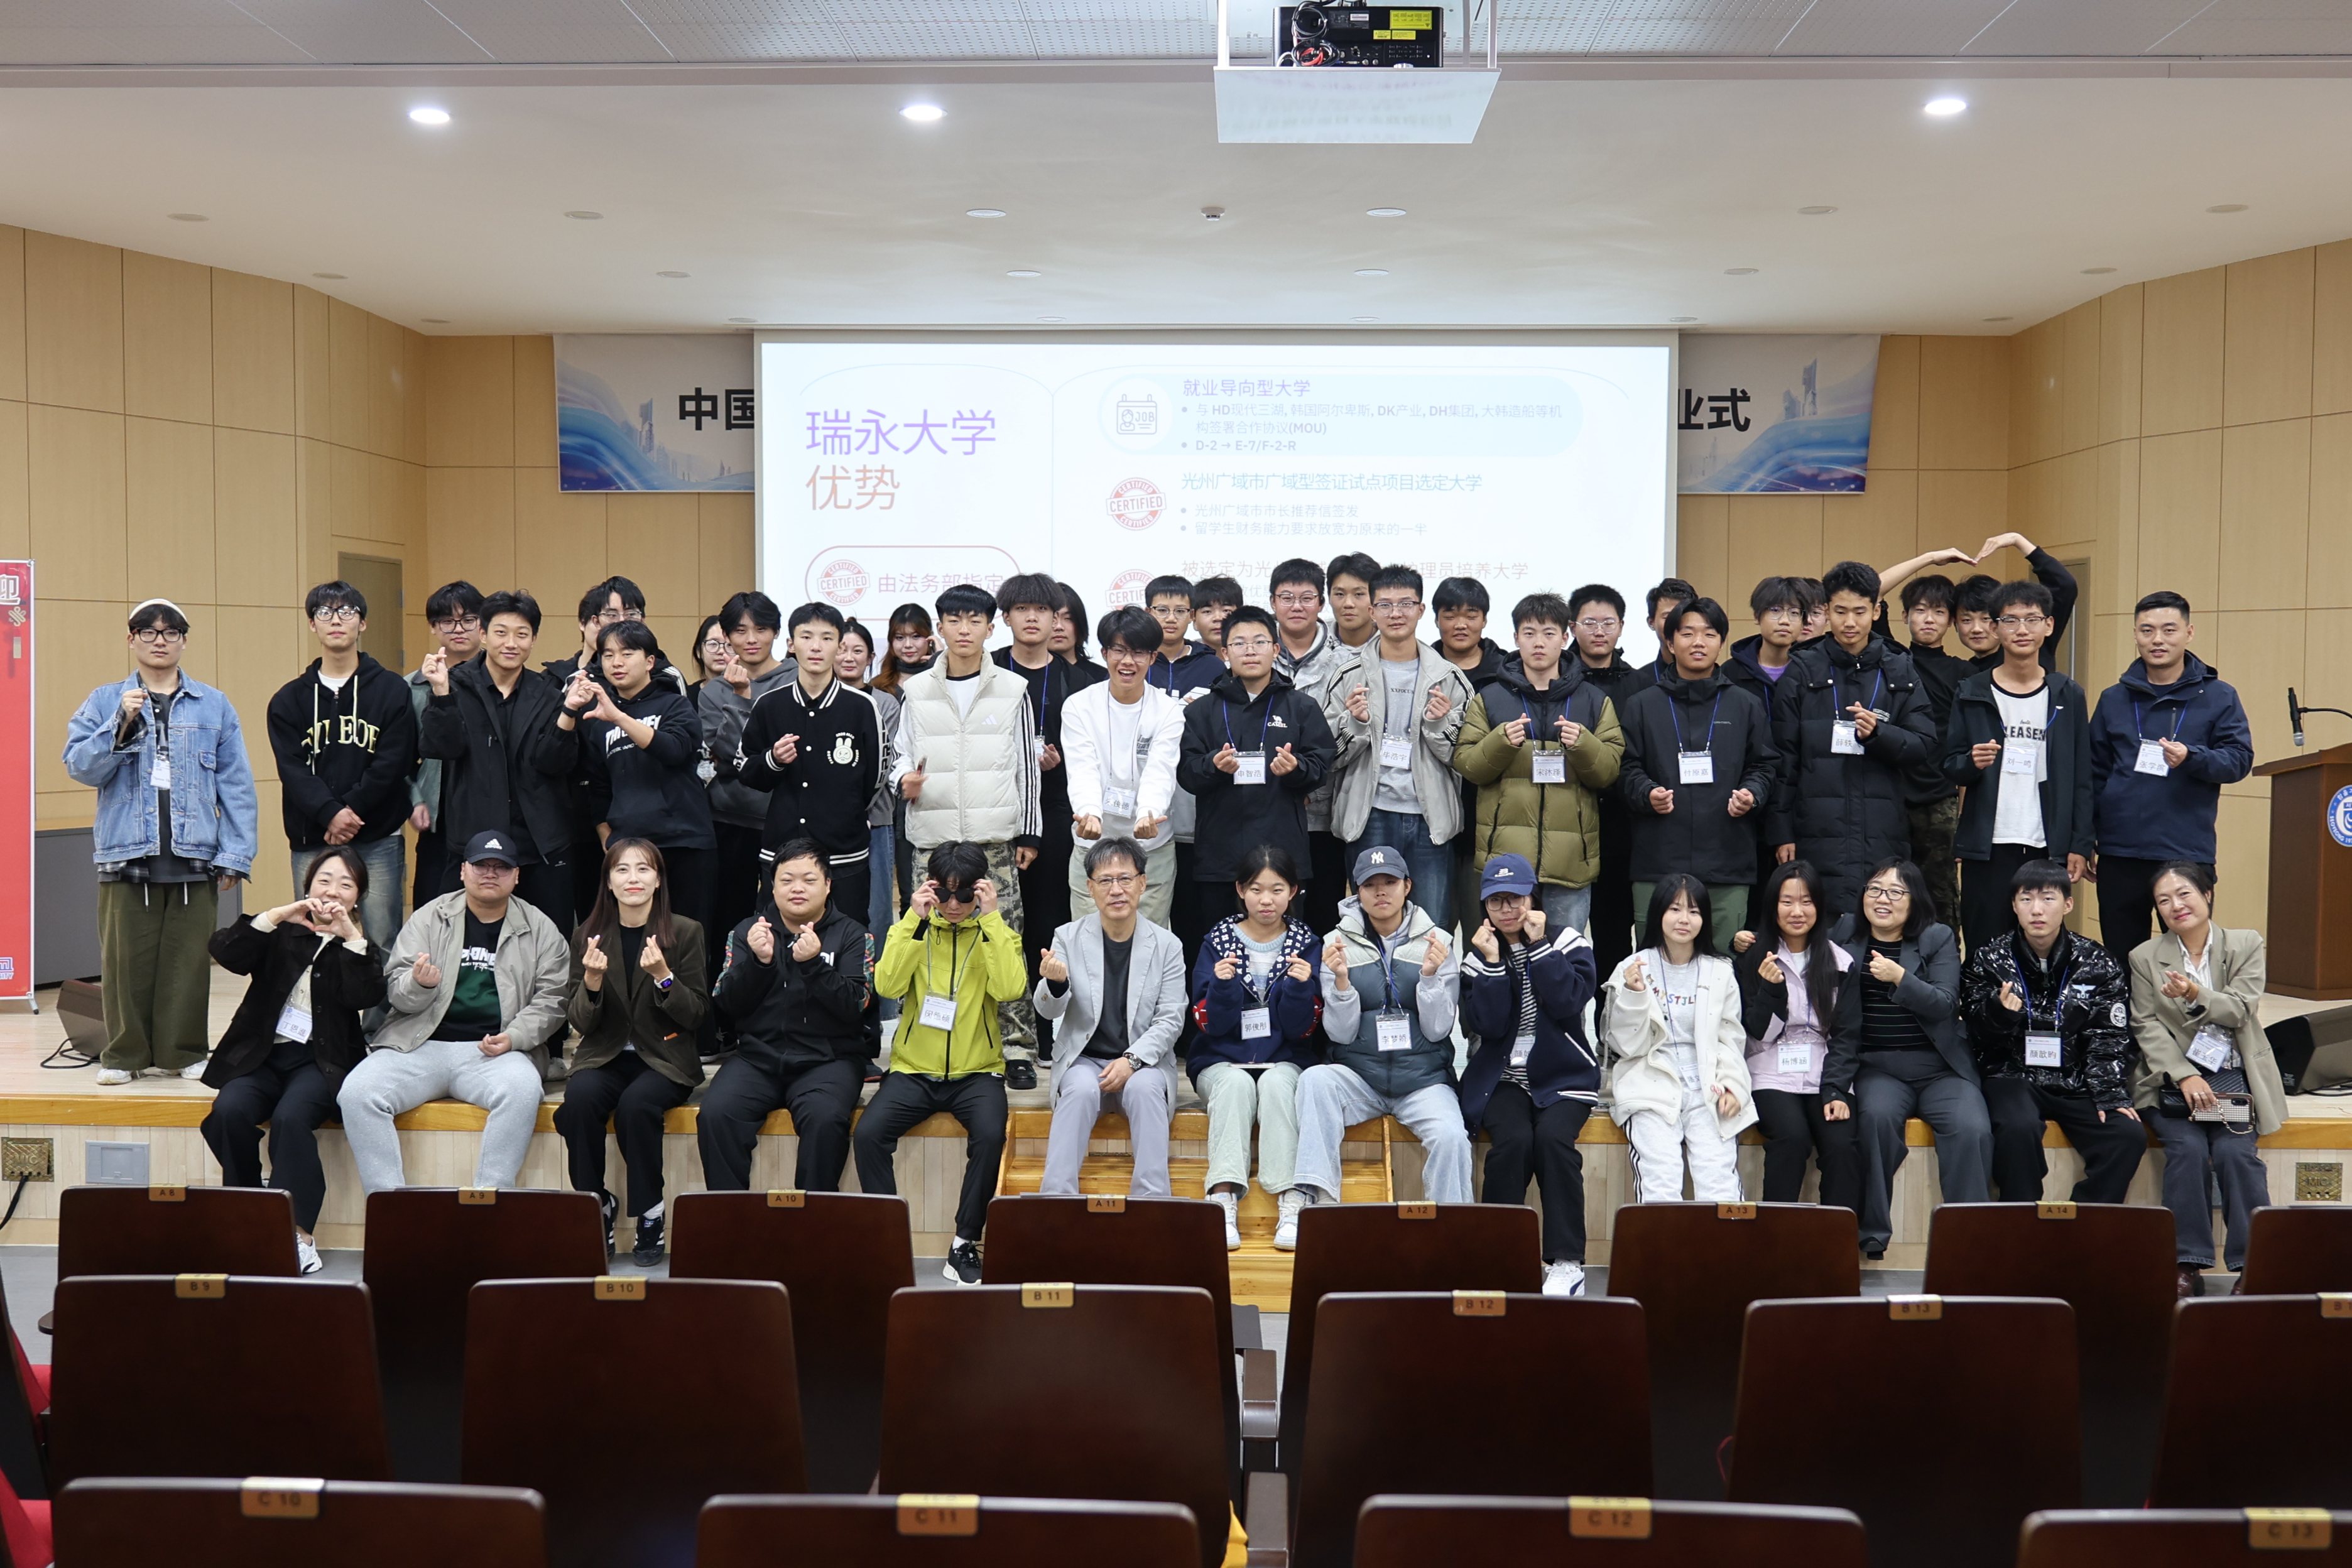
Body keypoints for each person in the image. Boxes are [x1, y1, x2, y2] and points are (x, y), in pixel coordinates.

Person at [63, 599, 259, 1085]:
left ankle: (183, 1051)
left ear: (184, 641)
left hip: (195, 852)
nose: (159, 640)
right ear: (131, 639)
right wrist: (119, 723)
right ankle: (124, 1055)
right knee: (123, 962)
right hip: (126, 851)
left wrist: (236, 854)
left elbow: (237, 784)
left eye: (170, 632)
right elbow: (80, 766)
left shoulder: (214, 704)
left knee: (188, 963)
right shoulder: (105, 700)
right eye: (148, 632)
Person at [340, 829, 572, 1192]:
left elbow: (553, 1000)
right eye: (481, 865)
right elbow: (396, 991)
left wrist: (513, 1037)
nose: (490, 873)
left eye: (501, 867)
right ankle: (389, 1206)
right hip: (419, 1044)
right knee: (356, 1093)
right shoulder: (429, 918)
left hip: (494, 1052)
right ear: (463, 871)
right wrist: (419, 985)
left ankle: (489, 1201)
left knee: (523, 1091)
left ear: (516, 876)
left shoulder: (541, 928)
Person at [200, 846, 384, 1274]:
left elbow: (364, 996)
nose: (333, 891)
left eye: (346, 884)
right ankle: (250, 1210)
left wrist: (349, 937)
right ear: (307, 886)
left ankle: (298, 1235)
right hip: (262, 1057)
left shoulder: (359, 947)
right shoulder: (280, 931)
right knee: (228, 1112)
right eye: (324, 881)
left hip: (320, 1062)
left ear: (358, 896)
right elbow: (227, 952)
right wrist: (277, 915)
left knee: (290, 1118)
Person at [888, 585, 1043, 1087]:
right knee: (926, 942)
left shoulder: (1013, 689)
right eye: (953, 620)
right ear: (940, 628)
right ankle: (925, 1044)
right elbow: (899, 754)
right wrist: (903, 780)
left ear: (990, 629)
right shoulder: (916, 690)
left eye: (974, 621)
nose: (964, 629)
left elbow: (1027, 766)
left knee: (1004, 939)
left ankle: (1017, 1047)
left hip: (992, 839)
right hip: (932, 839)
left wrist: (1030, 832)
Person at [858, 842, 1029, 1285]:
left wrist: (991, 919)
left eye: (965, 894)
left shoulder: (994, 930)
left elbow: (1010, 989)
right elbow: (887, 986)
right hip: (914, 1069)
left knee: (990, 1136)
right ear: (931, 889)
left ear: (981, 891)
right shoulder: (914, 928)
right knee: (869, 1134)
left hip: (977, 1072)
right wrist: (912, 921)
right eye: (946, 894)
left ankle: (964, 1241)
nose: (954, 905)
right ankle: (888, 1238)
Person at [555, 838, 709, 1265]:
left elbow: (697, 1014)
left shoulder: (685, 932)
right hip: (605, 1055)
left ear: (658, 880)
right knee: (579, 1100)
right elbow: (580, 1022)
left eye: (643, 869)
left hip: (665, 1058)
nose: (633, 879)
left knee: (637, 1106)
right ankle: (595, 1204)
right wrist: (591, 983)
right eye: (622, 870)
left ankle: (651, 1212)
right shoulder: (587, 935)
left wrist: (664, 977)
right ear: (608, 882)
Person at [2131, 861, 2280, 1295]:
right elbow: (2145, 1024)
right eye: (2163, 900)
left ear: (2207, 895)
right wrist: (2184, 1075)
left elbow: (2240, 1009)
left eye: (2184, 894)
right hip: (2171, 1082)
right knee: (2187, 1150)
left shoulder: (2245, 944)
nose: (2175, 906)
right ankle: (2186, 1265)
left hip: (2233, 1076)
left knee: (2236, 1154)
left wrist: (2194, 993)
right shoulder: (2144, 957)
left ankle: (2254, 1267)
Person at [1295, 846, 1469, 1214]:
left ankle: (1453, 1230)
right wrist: (1341, 984)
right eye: (1370, 885)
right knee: (1315, 1081)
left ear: (1407, 886)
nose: (1380, 892)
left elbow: (1438, 1030)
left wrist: (1429, 978)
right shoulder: (1335, 944)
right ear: (1356, 892)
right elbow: (1340, 1035)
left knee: (1452, 1137)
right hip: (1361, 1078)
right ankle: (1319, 1203)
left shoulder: (1438, 942)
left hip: (1423, 1081)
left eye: (1389, 882)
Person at [1959, 858, 2142, 1204]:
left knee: (2128, 1135)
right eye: (2026, 899)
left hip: (2076, 1079)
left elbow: (2109, 1035)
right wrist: (1999, 1014)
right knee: (2017, 1128)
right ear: (2014, 906)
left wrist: (2108, 1092)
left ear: (2068, 905)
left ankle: (2084, 1220)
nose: (2037, 910)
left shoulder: (2097, 961)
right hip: (2013, 1075)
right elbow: (1976, 1033)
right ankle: (2023, 1220)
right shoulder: (1988, 959)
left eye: (2048, 898)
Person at [1829, 858, 1986, 1261]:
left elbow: (1945, 1004)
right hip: (1878, 1066)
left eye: (1896, 892)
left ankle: (1969, 1237)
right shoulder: (1845, 931)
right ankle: (1872, 1234)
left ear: (1914, 900)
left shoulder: (1937, 937)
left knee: (1972, 1128)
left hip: (1939, 1067)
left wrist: (1901, 977)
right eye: (1875, 889)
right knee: (1875, 1121)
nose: (1883, 899)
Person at [1459, 854, 1601, 1297]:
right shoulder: (1478, 953)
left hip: (1563, 1076)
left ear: (1532, 898)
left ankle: (1566, 1262)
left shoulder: (1567, 941)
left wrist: (1539, 948)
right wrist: (1491, 962)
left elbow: (1569, 1002)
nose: (1507, 910)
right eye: (1496, 901)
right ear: (1485, 906)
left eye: (1515, 899)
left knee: (1554, 1141)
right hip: (1503, 1078)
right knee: (1514, 1142)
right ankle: (1499, 1259)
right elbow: (1487, 1026)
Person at [702, 841, 874, 1194]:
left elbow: (857, 1006)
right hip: (757, 1058)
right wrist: (759, 963)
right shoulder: (748, 932)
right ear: (772, 885)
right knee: (716, 1114)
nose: (798, 888)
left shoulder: (854, 934)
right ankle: (729, 1217)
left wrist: (814, 966)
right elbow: (726, 1003)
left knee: (825, 1119)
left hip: (829, 1059)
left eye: (809, 880)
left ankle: (811, 1220)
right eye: (787, 880)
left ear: (828, 885)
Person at [1768, 561, 1937, 917]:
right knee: (1820, 926)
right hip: (1816, 829)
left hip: (1883, 828)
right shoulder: (1802, 670)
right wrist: (1782, 831)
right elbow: (1783, 759)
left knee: (1878, 924)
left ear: (1876, 611)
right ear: (1826, 611)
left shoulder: (1900, 668)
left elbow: (1924, 745)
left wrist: (1879, 734)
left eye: (1860, 612)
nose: (1850, 622)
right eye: (1840, 611)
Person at [2089, 593, 2254, 956]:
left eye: (2169, 630)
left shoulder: (2219, 696)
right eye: (2147, 630)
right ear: (2136, 634)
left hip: (2185, 849)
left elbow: (2239, 760)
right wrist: (2087, 837)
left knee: (2189, 956)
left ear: (2189, 633)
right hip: (2121, 851)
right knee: (2123, 956)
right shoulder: (2113, 698)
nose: (2157, 640)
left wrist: (2192, 757)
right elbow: (2094, 773)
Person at [1453, 590, 1625, 935]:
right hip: (1507, 862)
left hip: (1570, 861)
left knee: (1565, 955)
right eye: (1529, 633)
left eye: (1549, 633)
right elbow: (1467, 765)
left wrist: (1584, 745)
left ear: (1565, 638)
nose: (1539, 643)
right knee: (1507, 955)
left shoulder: (1593, 700)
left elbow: (1608, 773)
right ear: (1516, 638)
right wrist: (1500, 743)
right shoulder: (1491, 698)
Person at [1939, 579, 2096, 955]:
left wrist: (2080, 843)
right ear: (1996, 628)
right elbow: (1950, 764)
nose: (2022, 629)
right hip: (1988, 845)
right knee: (1984, 947)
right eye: (2010, 620)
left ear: (2049, 626)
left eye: (2032, 619)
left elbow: (2082, 776)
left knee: (2042, 946)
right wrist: (1971, 763)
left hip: (2047, 844)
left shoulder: (2067, 694)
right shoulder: (1972, 690)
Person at [265, 580, 417, 952]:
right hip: (312, 837)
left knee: (382, 940)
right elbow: (293, 769)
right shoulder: (288, 700)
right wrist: (330, 813)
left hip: (378, 834)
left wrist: (351, 811)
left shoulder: (392, 690)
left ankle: (381, 997)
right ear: (312, 624)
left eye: (347, 612)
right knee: (313, 935)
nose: (336, 620)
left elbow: (394, 760)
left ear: (362, 623)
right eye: (325, 612)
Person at [1618, 596, 1777, 947]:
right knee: (1655, 962)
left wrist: (1752, 794)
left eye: (1709, 634)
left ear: (1722, 642)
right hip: (1659, 859)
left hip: (1726, 859)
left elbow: (1764, 765)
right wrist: (1647, 793)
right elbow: (1626, 767)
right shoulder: (1642, 705)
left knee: (1724, 962)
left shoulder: (1745, 704)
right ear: (1670, 642)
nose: (1698, 642)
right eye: (1687, 633)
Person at [1033, 838, 1189, 1197]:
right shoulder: (1067, 937)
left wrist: (1131, 1061)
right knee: (1079, 1089)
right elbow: (1048, 1010)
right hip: (1084, 1060)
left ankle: (1152, 1202)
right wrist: (1055, 984)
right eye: (1105, 881)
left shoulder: (1168, 945)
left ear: (1142, 883)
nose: (1116, 890)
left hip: (1144, 1063)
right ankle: (1055, 1200)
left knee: (1146, 1090)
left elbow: (1170, 1020)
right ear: (1090, 888)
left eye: (1125, 879)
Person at [416, 589, 579, 930]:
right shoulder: (455, 684)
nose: (511, 644)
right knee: (464, 940)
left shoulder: (548, 693)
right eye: (501, 633)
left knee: (548, 939)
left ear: (534, 640)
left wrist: (569, 713)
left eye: (522, 635)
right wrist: (441, 694)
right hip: (472, 842)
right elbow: (443, 748)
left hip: (538, 842)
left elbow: (556, 764)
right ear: (484, 634)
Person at [1323, 565, 1474, 927]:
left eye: (1406, 604)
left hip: (1430, 819)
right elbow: (1328, 758)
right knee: (1370, 927)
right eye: (1385, 605)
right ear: (1372, 612)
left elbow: (1467, 761)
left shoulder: (1450, 679)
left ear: (1421, 610)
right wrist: (1355, 724)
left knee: (1432, 927)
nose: (1396, 613)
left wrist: (1439, 726)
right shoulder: (1348, 676)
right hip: (1369, 816)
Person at [1189, 844, 1324, 1250]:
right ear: (1240, 890)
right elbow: (1210, 1026)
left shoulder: (1307, 943)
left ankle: (1290, 1201)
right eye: (1256, 889)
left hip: (1285, 1058)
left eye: (1277, 889)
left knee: (1278, 1085)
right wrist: (1222, 987)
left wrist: (1301, 989)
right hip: (1220, 1059)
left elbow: (1301, 1031)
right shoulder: (1217, 941)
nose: (1266, 900)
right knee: (1235, 1086)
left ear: (1293, 891)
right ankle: (1222, 1199)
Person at [995, 573, 1106, 1058]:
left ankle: (1044, 1031)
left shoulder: (1083, 681)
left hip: (1058, 810)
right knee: (997, 924)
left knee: (1048, 921)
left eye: (1045, 611)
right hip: (1000, 809)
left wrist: (1062, 765)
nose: (1036, 619)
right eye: (1023, 609)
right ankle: (998, 1030)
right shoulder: (988, 670)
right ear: (1006, 617)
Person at [1177, 606, 1337, 920]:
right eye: (1239, 643)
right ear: (1225, 652)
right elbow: (1186, 774)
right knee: (1221, 945)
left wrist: (1296, 769)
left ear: (1275, 649)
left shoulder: (1301, 707)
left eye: (1259, 642)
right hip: (1221, 857)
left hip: (1283, 855)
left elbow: (1322, 766)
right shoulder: (1201, 710)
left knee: (1285, 944)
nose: (1250, 651)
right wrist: (1213, 766)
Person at [1603, 875, 1753, 1202]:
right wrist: (1634, 994)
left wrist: (1732, 1085)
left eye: (1694, 911)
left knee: (1719, 1184)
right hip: (1651, 1083)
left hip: (1707, 1085)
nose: (1684, 919)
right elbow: (1624, 1046)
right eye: (1675, 909)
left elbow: (1730, 1039)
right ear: (1658, 913)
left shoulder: (1720, 970)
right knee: (1661, 1182)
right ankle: (1662, 1241)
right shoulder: (1632, 967)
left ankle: (1723, 1241)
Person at [565, 619, 717, 937]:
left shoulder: (675, 704)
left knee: (688, 937)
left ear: (650, 661)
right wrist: (607, 836)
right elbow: (598, 786)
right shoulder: (598, 720)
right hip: (631, 847)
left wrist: (619, 718)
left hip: (684, 842)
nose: (616, 663)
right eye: (608, 655)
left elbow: (675, 750)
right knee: (633, 937)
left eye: (627, 654)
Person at [738, 601, 886, 923]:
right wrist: (773, 760)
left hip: (844, 853)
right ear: (792, 644)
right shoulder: (769, 705)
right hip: (782, 851)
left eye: (827, 638)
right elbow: (746, 769)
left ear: (839, 646)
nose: (816, 647)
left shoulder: (862, 707)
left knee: (849, 937)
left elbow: (875, 778)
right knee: (774, 939)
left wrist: (844, 812)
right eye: (806, 637)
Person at [1731, 859, 1861, 1212]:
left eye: (1807, 901)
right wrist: (1772, 991)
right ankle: (1778, 1237)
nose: (1797, 912)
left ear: (1819, 906)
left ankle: (1838, 1238)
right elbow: (1758, 1033)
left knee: (1842, 1145)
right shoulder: (1753, 959)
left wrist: (1836, 1090)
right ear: (1773, 906)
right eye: (1787, 901)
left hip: (1825, 1071)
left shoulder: (1840, 962)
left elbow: (1846, 1035)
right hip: (1770, 1068)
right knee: (1791, 1138)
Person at [1062, 606, 1185, 925]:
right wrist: (1089, 812)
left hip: (1151, 847)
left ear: (1153, 658)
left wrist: (1148, 813)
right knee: (1088, 938)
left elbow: (1161, 770)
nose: (1128, 661)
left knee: (1150, 938)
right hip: (1093, 844)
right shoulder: (1079, 706)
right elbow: (1082, 767)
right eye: (1119, 650)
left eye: (1139, 652)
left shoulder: (1168, 711)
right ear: (1105, 653)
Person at [1722, 576, 1821, 924]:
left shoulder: (1814, 673)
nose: (1784, 621)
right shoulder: (1730, 675)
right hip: (1744, 804)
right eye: (1775, 610)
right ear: (1757, 616)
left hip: (1801, 803)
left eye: (1795, 613)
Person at [700, 590, 796, 946]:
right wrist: (741, 696)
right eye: (740, 631)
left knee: (787, 916)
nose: (751, 639)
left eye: (761, 629)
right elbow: (727, 755)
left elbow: (797, 749)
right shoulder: (713, 691)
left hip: (786, 817)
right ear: (727, 636)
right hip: (730, 819)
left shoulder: (798, 680)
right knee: (729, 917)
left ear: (776, 632)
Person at [1567, 584, 1643, 981]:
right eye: (1589, 623)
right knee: (1562, 937)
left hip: (1620, 825)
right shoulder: (1556, 681)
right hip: (1566, 819)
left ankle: (1612, 1017)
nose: (1599, 631)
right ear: (1572, 627)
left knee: (1614, 936)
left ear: (1622, 627)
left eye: (1608, 623)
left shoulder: (1640, 686)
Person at [1271, 558, 1350, 934]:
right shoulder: (1254, 654)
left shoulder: (1348, 663)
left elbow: (1351, 736)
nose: (1297, 606)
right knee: (1272, 914)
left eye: (1306, 598)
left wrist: (1307, 776)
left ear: (1321, 602)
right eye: (1287, 598)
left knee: (1322, 916)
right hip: (1270, 811)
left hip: (1328, 815)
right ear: (1273, 602)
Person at [408, 581, 485, 913]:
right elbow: (398, 756)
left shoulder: (502, 681)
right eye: (447, 622)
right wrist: (415, 799)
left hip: (487, 810)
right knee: (432, 909)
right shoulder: (413, 687)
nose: (459, 629)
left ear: (483, 624)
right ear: (433, 627)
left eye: (468, 620)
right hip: (438, 815)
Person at [835, 621, 903, 962]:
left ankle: (880, 993)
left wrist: (856, 809)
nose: (848, 657)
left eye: (857, 651)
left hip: (875, 820)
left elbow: (882, 763)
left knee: (877, 911)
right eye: (842, 649)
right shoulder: (819, 700)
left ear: (871, 657)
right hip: (828, 821)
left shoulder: (885, 703)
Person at [1955, 533, 2078, 671]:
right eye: (1966, 620)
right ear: (1954, 624)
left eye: (1985, 619)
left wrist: (2017, 540)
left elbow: (2064, 585)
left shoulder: (2027, 646)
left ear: (1997, 624)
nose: (1977, 629)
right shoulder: (1961, 673)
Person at [1629, 577, 1699, 685]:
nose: (1675, 623)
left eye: (1683, 616)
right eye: (1668, 617)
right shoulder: (1639, 683)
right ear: (1651, 623)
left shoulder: (1715, 679)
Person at [873, 602, 937, 699]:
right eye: (900, 638)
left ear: (930, 637)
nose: (908, 645)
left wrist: (941, 661)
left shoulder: (946, 679)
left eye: (916, 636)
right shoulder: (878, 686)